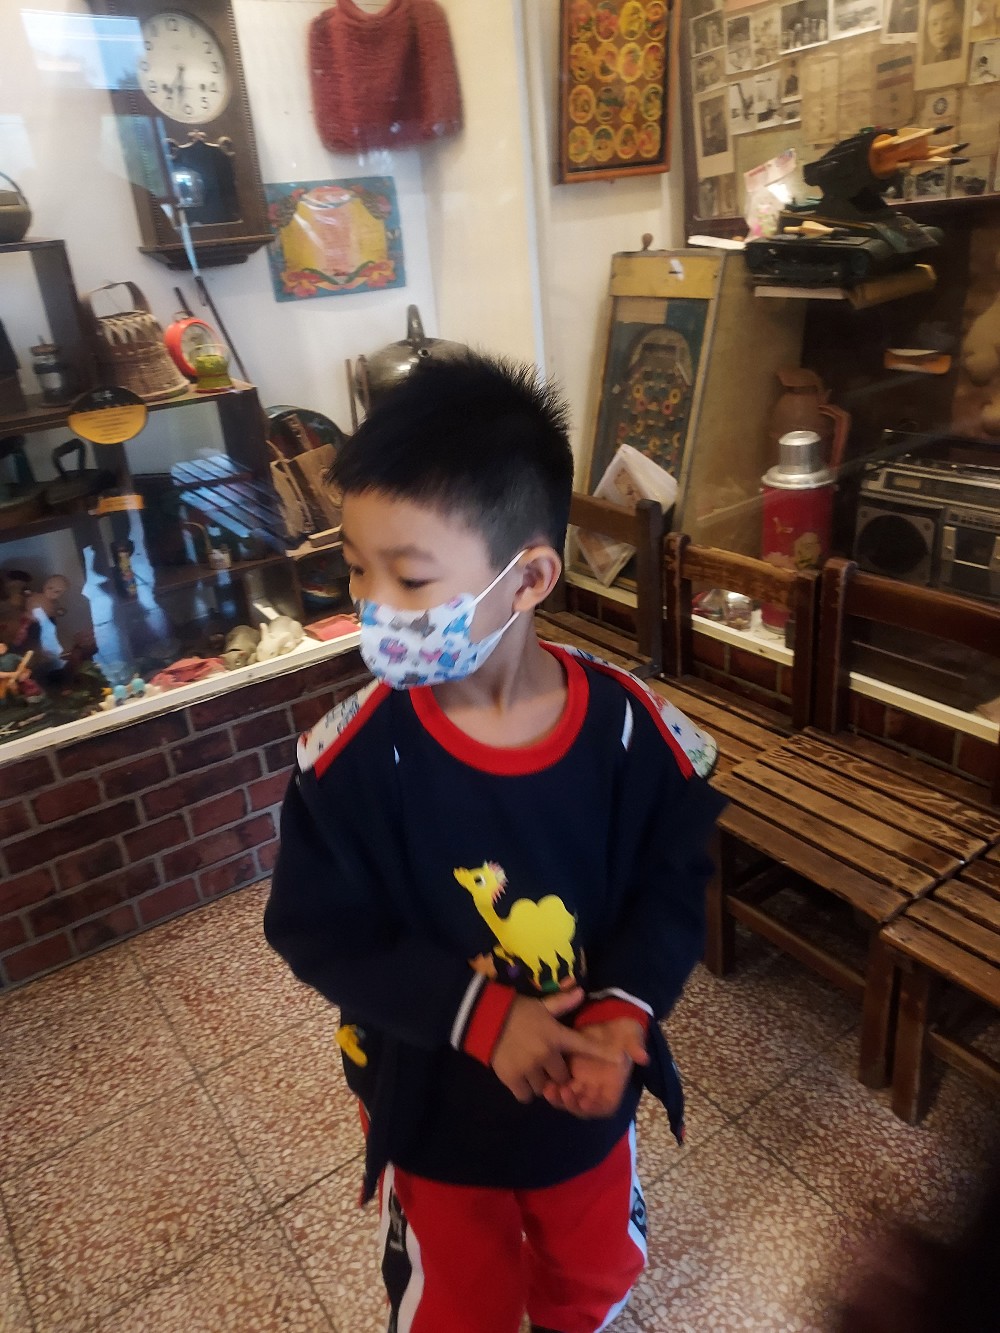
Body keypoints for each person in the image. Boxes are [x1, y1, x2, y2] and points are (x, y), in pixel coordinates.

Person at [263, 354, 724, 1333]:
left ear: (529, 579)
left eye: (410, 575)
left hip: (585, 1098)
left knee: (590, 1270)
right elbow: (316, 929)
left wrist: (625, 1008)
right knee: (457, 1301)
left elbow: (671, 883)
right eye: (357, 566)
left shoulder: (634, 734)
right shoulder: (349, 762)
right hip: (432, 1107)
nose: (373, 603)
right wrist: (477, 1015)